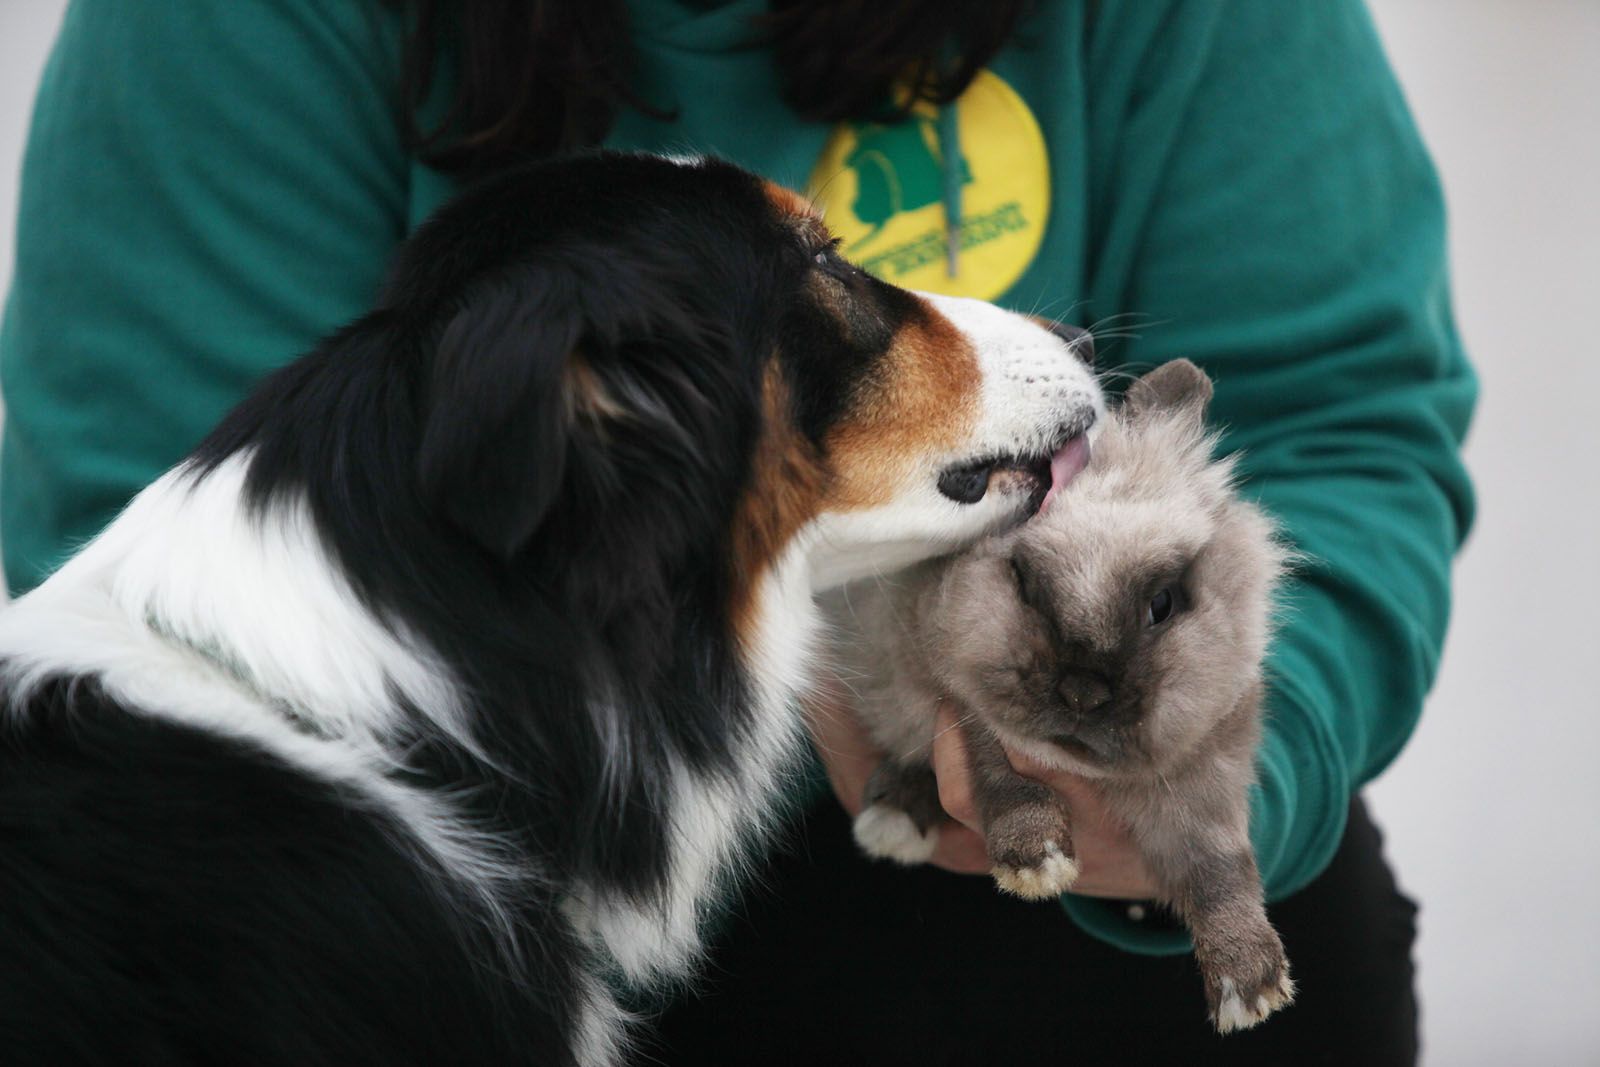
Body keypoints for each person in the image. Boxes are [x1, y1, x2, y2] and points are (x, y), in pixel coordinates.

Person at [0, 2, 1474, 1063]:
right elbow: (166, 555)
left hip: (1020, 866)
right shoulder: (206, 33)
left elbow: (1336, 425)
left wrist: (1209, 777)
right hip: (442, 842)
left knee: (1283, 927)